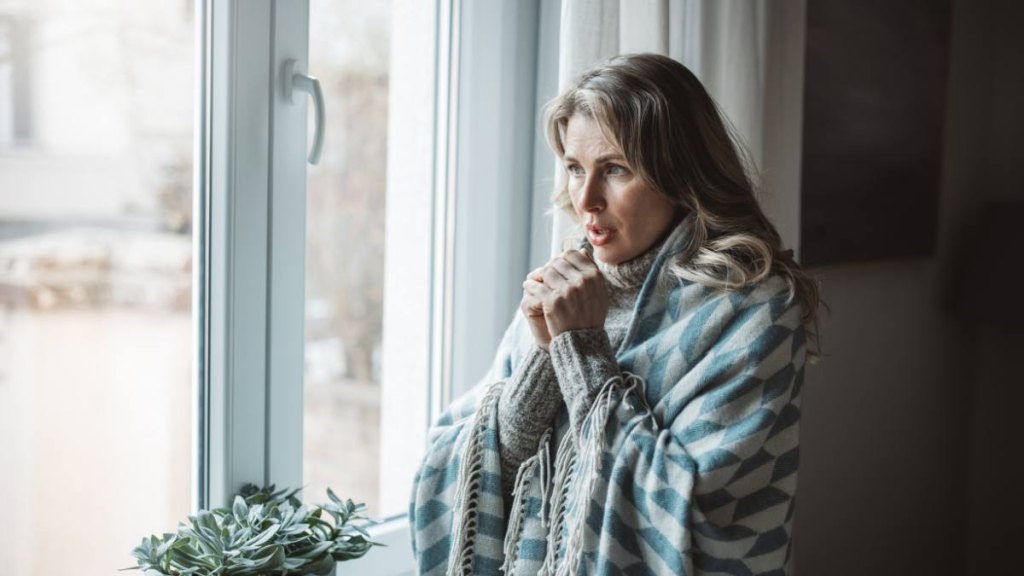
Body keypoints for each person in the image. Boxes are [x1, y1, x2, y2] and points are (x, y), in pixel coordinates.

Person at [410, 53, 821, 576]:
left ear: (681, 176)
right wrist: (545, 357)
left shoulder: (755, 314)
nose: (585, 200)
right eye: (576, 168)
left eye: (616, 169)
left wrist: (579, 349)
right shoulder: (570, 283)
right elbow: (474, 463)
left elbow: (686, 514)